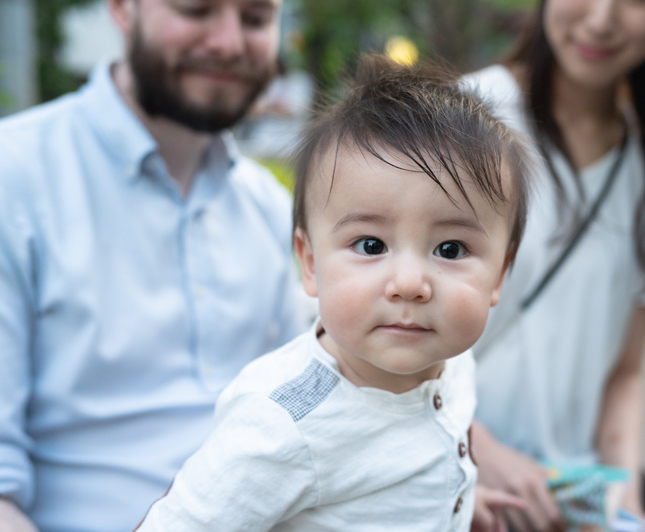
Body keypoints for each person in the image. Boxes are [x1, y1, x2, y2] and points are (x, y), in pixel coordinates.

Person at [135, 54, 531, 531]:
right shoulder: (284, 428)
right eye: (370, 245)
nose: (408, 283)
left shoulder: (454, 360)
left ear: (500, 274)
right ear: (310, 263)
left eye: (450, 248)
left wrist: (460, 500)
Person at [0, 0, 309, 531]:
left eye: (255, 19)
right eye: (196, 11)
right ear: (121, 9)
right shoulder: (15, 178)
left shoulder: (269, 208)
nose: (229, 43)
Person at [462, 0, 645, 531]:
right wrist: (481, 454)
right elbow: (378, 331)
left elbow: (623, 372)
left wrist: (628, 510)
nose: (600, 18)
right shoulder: (464, 117)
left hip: (569, 490)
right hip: (447, 469)